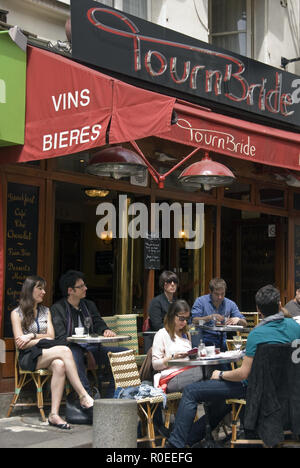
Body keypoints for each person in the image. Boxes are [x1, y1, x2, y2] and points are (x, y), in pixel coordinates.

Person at [166, 284, 300, 448]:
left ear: (258, 310)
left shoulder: (257, 334)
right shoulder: (296, 328)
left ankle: (174, 446)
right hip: (288, 389)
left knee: (191, 391)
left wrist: (220, 375)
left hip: (255, 390)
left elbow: (243, 374)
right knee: (223, 403)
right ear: (280, 304)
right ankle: (191, 439)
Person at [11, 276, 94, 430]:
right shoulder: (16, 313)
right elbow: (20, 344)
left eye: (44, 288)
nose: (44, 292)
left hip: (46, 352)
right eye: (40, 288)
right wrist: (39, 339)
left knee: (59, 364)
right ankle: (83, 395)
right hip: (28, 357)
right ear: (30, 290)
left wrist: (31, 335)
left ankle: (54, 415)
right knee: (65, 350)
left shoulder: (46, 311)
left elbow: (52, 336)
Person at [51, 270, 127, 398]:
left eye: (84, 285)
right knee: (75, 355)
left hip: (92, 348)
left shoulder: (88, 305)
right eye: (81, 286)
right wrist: (86, 352)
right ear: (70, 291)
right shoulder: (58, 309)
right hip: (71, 351)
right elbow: (61, 338)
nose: (85, 288)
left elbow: (97, 322)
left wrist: (104, 330)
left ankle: (112, 397)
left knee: (123, 353)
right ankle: (86, 396)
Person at [152, 300, 203, 393]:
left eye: (187, 319)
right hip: (171, 378)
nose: (184, 322)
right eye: (181, 318)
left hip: (188, 372)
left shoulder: (186, 334)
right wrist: (173, 357)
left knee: (210, 371)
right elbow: (155, 365)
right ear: (172, 315)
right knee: (206, 371)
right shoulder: (161, 334)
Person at [191, 278, 246, 350]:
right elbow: (194, 320)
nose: (220, 297)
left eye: (222, 294)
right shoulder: (201, 301)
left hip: (223, 338)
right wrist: (210, 317)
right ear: (210, 292)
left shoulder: (230, 304)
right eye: (217, 294)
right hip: (204, 337)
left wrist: (238, 319)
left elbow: (245, 323)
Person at [144, 271, 179, 352]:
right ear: (163, 284)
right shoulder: (156, 302)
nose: (173, 284)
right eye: (169, 282)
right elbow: (157, 325)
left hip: (173, 337)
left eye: (175, 282)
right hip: (158, 339)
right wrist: (175, 329)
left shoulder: (176, 302)